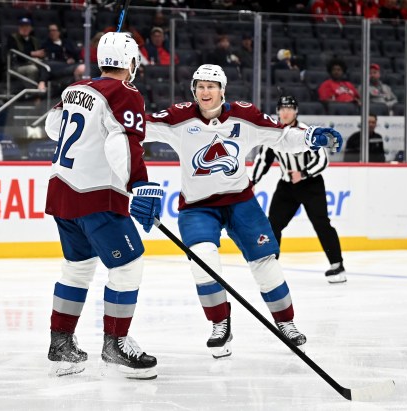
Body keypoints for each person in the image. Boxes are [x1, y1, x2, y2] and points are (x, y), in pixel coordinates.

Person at [144, 64, 343, 358]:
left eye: (211, 86)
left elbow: (279, 136)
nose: (205, 91)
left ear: (223, 90)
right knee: (203, 261)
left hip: (240, 202)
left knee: (265, 262)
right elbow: (139, 127)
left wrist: (310, 136)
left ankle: (286, 322)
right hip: (198, 207)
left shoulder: (245, 115)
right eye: (200, 86)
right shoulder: (179, 117)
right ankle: (220, 323)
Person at [44, 32, 163, 379]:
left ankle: (61, 346)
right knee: (128, 266)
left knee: (76, 269)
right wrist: (140, 185)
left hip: (62, 193)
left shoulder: (74, 88)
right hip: (97, 197)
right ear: (130, 63)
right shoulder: (125, 93)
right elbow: (124, 142)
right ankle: (116, 344)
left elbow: (54, 127)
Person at [251, 96, 346, 284]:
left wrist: (303, 173)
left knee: (321, 223)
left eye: (290, 108)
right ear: (277, 111)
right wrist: (251, 181)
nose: (285, 112)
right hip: (287, 186)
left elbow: (322, 160)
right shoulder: (272, 134)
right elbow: (263, 160)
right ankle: (271, 268)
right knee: (273, 225)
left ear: (296, 112)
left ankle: (337, 266)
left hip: (311, 185)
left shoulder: (305, 132)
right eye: (282, 108)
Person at [6, 17, 47, 91]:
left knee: (45, 64)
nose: (25, 28)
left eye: (27, 26)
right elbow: (14, 53)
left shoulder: (34, 40)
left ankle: (42, 85)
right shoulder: (13, 38)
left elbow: (40, 53)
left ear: (31, 28)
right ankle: (31, 92)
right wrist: (32, 53)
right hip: (17, 65)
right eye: (22, 26)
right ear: (19, 28)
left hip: (32, 62)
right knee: (33, 69)